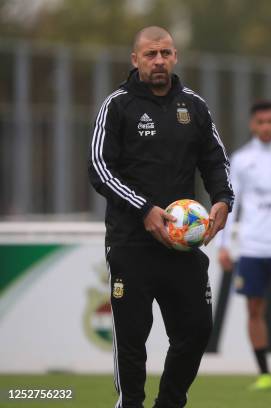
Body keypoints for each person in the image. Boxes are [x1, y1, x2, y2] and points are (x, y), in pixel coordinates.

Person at [88, 26, 233, 408]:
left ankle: (169, 402)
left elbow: (216, 161)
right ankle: (131, 403)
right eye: (151, 54)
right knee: (133, 339)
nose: (159, 61)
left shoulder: (195, 106)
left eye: (166, 53)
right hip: (131, 243)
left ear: (175, 57)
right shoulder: (117, 105)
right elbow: (100, 168)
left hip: (182, 244)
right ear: (135, 59)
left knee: (197, 330)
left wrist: (222, 200)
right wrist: (144, 209)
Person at [218, 100, 271, 391]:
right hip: (252, 245)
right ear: (252, 125)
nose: (265, 127)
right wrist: (224, 244)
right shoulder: (241, 160)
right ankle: (265, 373)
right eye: (260, 122)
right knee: (254, 309)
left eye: (270, 122)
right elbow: (231, 204)